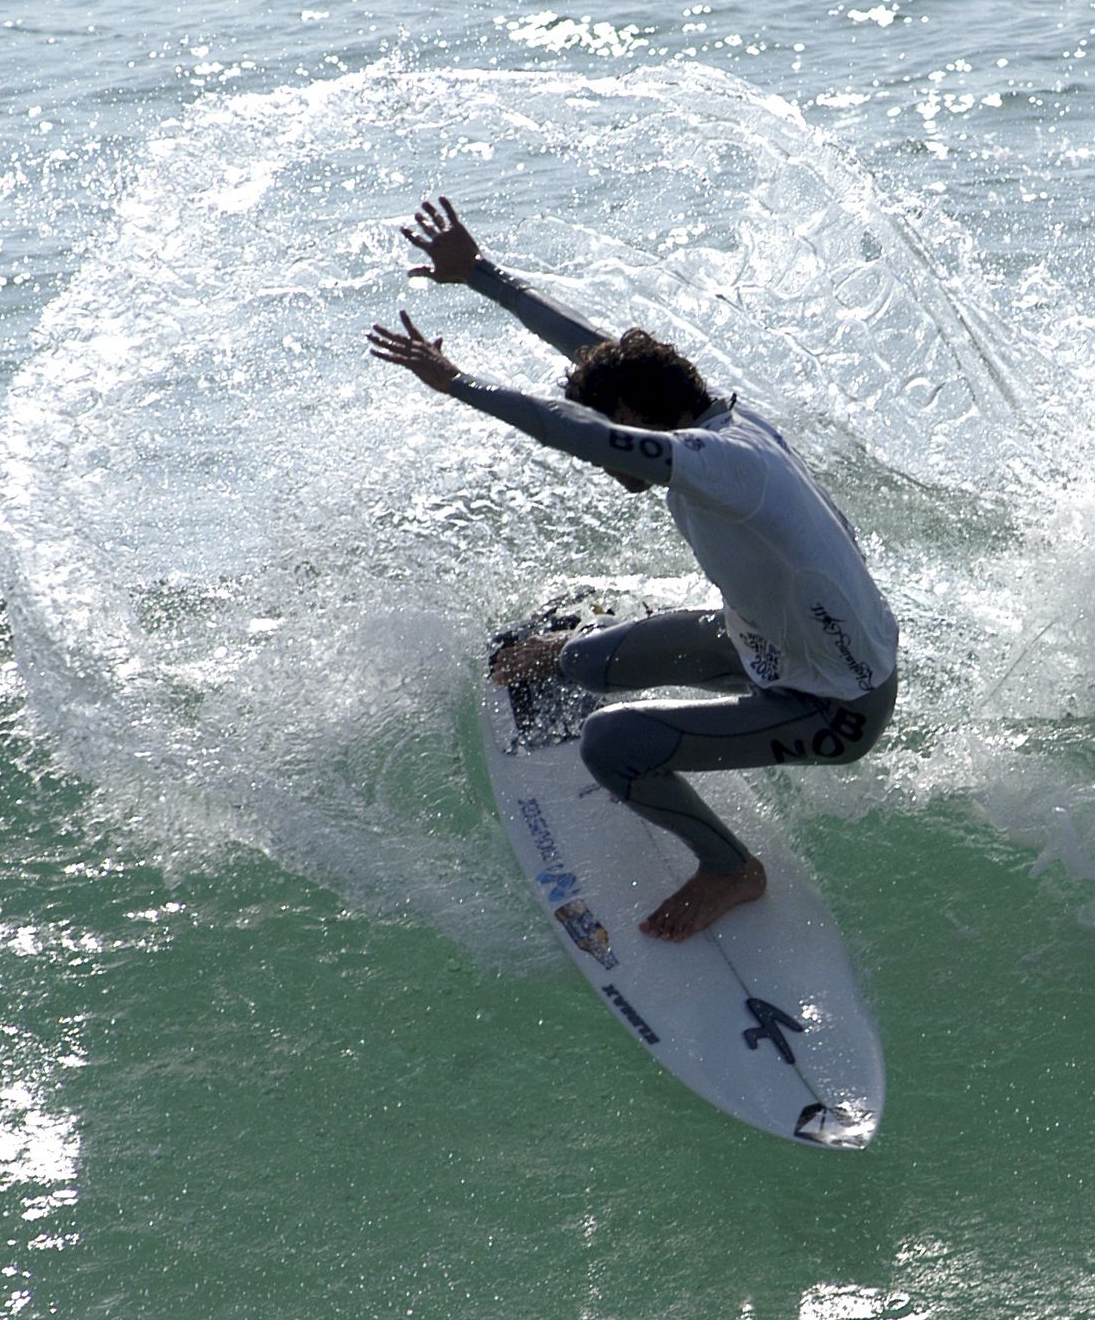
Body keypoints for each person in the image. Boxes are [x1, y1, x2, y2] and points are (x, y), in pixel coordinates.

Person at [367, 197, 900, 942]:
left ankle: (729, 869)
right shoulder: (717, 417)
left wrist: (457, 382)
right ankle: (580, 663)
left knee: (612, 744)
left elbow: (567, 428)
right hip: (768, 642)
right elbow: (597, 353)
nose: (610, 457)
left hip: (836, 707)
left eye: (614, 425)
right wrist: (482, 275)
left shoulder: (719, 464)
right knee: (582, 664)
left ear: (633, 415)